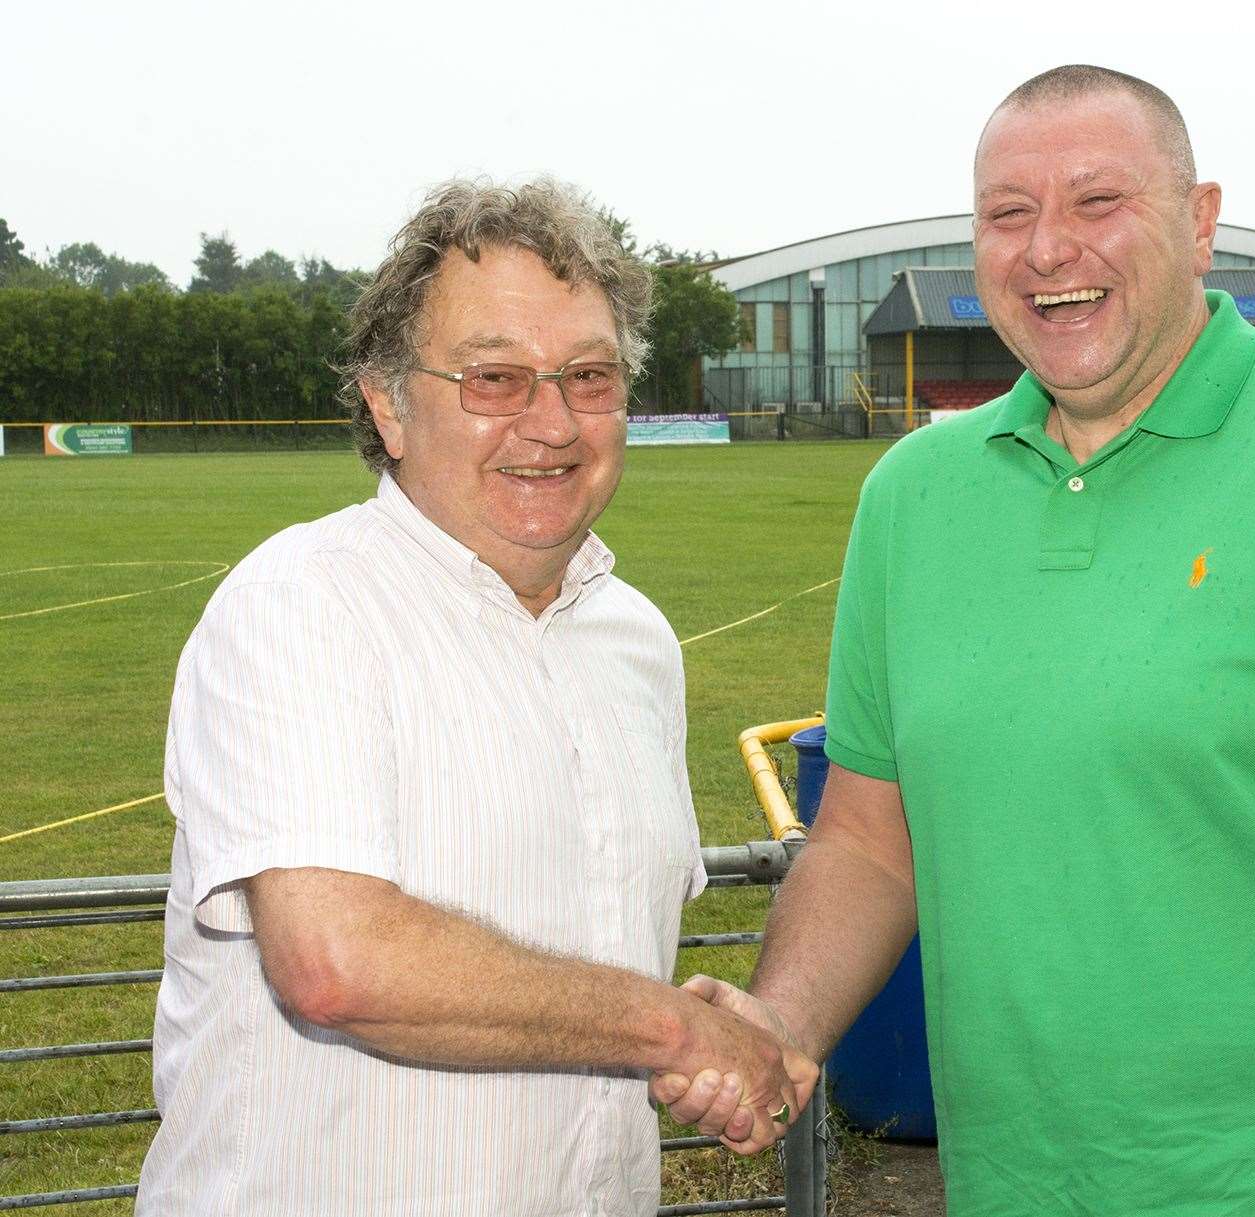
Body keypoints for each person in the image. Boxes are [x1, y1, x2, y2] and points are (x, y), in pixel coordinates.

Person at [659, 67, 1255, 1216]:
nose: (1048, 249)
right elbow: (872, 840)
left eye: (1097, 202)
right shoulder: (913, 497)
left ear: (1201, 222)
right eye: (1008, 216)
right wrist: (777, 1023)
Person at [139, 179, 815, 1217]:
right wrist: (674, 1030)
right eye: (495, 377)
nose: (551, 423)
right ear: (386, 404)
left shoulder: (634, 639)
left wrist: (724, 1037)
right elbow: (338, 960)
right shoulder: (301, 602)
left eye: (588, 376)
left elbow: (593, 957)